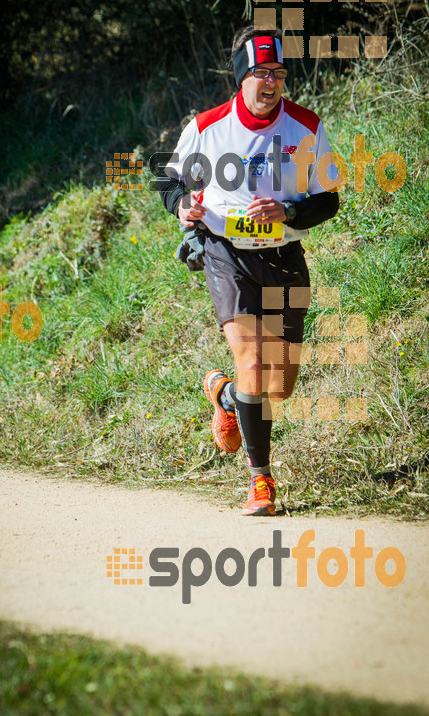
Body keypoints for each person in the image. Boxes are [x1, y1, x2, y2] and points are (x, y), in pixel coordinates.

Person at [157, 26, 341, 516]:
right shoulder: (207, 128)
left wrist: (289, 213)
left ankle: (224, 394)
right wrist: (181, 208)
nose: (271, 82)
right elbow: (168, 179)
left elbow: (329, 200)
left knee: (279, 385)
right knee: (254, 366)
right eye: (260, 72)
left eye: (278, 73)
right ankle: (261, 482)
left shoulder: (306, 127)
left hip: (285, 258)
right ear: (242, 75)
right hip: (227, 255)